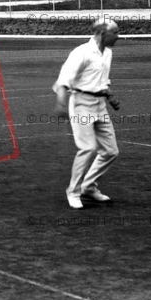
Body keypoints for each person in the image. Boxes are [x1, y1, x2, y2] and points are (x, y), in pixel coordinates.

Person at [52, 18, 121, 210]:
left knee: (110, 151)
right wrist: (61, 104)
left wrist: (110, 96)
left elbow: (102, 81)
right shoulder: (81, 53)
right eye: (115, 32)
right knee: (88, 148)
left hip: (100, 105)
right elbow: (64, 80)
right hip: (81, 104)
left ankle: (88, 187)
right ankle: (73, 192)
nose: (118, 36)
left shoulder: (107, 53)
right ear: (101, 34)